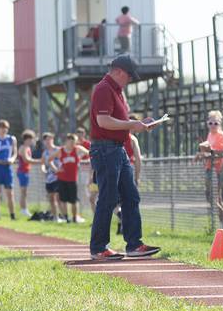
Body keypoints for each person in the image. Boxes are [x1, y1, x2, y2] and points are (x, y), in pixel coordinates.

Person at [89, 54, 160, 260]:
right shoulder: (104, 88)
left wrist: (140, 123)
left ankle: (134, 245)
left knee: (131, 196)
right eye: (129, 76)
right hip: (105, 149)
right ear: (118, 71)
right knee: (109, 198)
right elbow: (103, 121)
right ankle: (98, 248)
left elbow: (118, 122)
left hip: (117, 148)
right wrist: (131, 124)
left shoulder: (116, 90)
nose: (130, 80)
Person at [197, 110, 223, 231]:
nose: (212, 126)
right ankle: (218, 224)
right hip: (209, 168)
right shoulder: (210, 135)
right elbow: (208, 151)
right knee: (213, 198)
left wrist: (208, 149)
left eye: (215, 123)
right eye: (210, 123)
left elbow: (221, 151)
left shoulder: (222, 135)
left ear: (220, 124)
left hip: (218, 169)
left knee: (216, 198)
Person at [48, 134, 90, 223]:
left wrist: (86, 159)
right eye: (70, 141)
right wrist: (56, 169)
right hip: (62, 178)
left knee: (73, 200)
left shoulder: (77, 149)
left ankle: (74, 218)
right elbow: (49, 159)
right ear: (66, 141)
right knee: (63, 199)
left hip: (73, 179)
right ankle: (66, 218)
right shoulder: (61, 150)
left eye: (73, 141)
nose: (71, 143)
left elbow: (89, 153)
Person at [16, 130, 43, 217]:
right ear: (27, 139)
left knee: (25, 192)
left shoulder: (28, 148)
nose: (32, 141)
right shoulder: (23, 148)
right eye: (31, 139)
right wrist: (39, 161)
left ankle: (24, 208)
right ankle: (23, 209)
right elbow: (26, 160)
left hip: (26, 171)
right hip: (22, 171)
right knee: (23, 191)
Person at [41, 132, 64, 222]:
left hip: (59, 177)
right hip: (49, 178)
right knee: (51, 198)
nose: (48, 141)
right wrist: (43, 170)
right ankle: (56, 217)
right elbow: (42, 164)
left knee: (59, 197)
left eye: (50, 139)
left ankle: (65, 216)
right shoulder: (45, 153)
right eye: (46, 140)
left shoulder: (58, 150)